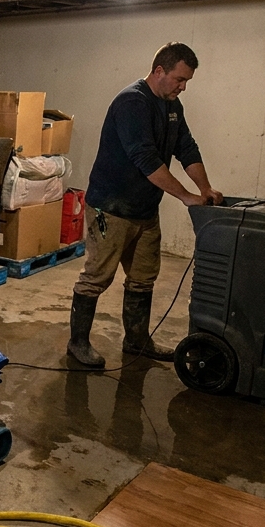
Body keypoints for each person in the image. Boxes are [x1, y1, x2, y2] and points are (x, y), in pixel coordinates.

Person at [68, 42, 223, 368]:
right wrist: (186, 196)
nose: (183, 87)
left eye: (187, 82)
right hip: (111, 208)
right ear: (159, 71)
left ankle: (137, 340)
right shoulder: (132, 103)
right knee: (96, 278)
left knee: (142, 278)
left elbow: (187, 149)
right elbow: (145, 159)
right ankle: (77, 344)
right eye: (179, 79)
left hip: (144, 210)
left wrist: (205, 188)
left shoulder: (172, 106)